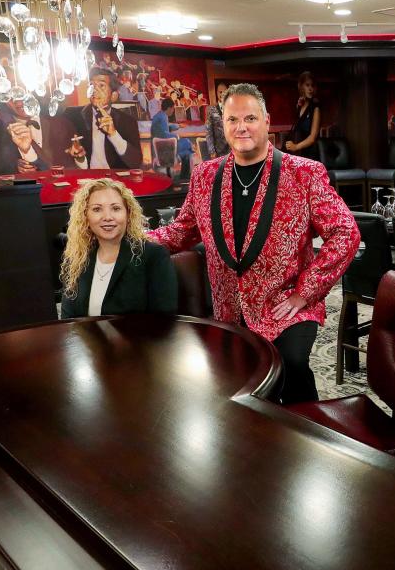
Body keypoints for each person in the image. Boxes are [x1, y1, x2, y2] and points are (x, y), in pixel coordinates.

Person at [150, 83, 359, 404]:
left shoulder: (304, 172)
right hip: (229, 311)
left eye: (250, 118)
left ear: (266, 121)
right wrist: (132, 240)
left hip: (287, 305)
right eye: (232, 120)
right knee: (237, 388)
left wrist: (306, 292)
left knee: (291, 368)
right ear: (223, 125)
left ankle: (309, 432)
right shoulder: (205, 176)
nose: (241, 127)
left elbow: (346, 233)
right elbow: (181, 232)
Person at [59, 178, 177, 318]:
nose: (107, 217)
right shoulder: (78, 257)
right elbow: (68, 318)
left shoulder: (153, 255)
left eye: (116, 208)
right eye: (97, 209)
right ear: (86, 217)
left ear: (128, 214)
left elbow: (163, 318)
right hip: (86, 339)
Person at [62, 67, 143, 169]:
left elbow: (136, 162)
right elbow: (61, 157)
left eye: (101, 85)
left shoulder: (127, 121)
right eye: (91, 85)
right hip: (84, 180)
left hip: (115, 181)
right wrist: (80, 158)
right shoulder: (72, 115)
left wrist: (114, 135)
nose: (94, 90)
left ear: (113, 96)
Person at [285, 71, 321, 160]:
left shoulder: (316, 108)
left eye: (312, 85)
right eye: (307, 85)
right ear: (301, 87)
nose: (310, 89)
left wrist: (296, 146)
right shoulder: (301, 105)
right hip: (299, 153)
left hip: (310, 154)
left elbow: (312, 137)